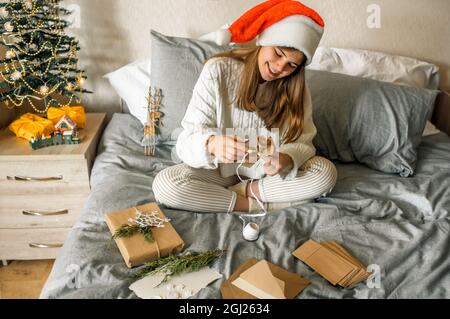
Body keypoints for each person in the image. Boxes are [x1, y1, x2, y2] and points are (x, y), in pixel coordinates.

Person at [153, 0, 337, 214]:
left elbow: (304, 143)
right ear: (264, 41)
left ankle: (247, 191)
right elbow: (186, 141)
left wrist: (286, 158)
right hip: (220, 171)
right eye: (278, 53)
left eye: (292, 65)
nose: (280, 68)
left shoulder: (296, 89)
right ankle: (251, 205)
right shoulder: (218, 70)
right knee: (165, 184)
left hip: (266, 176)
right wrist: (212, 144)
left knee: (325, 173)